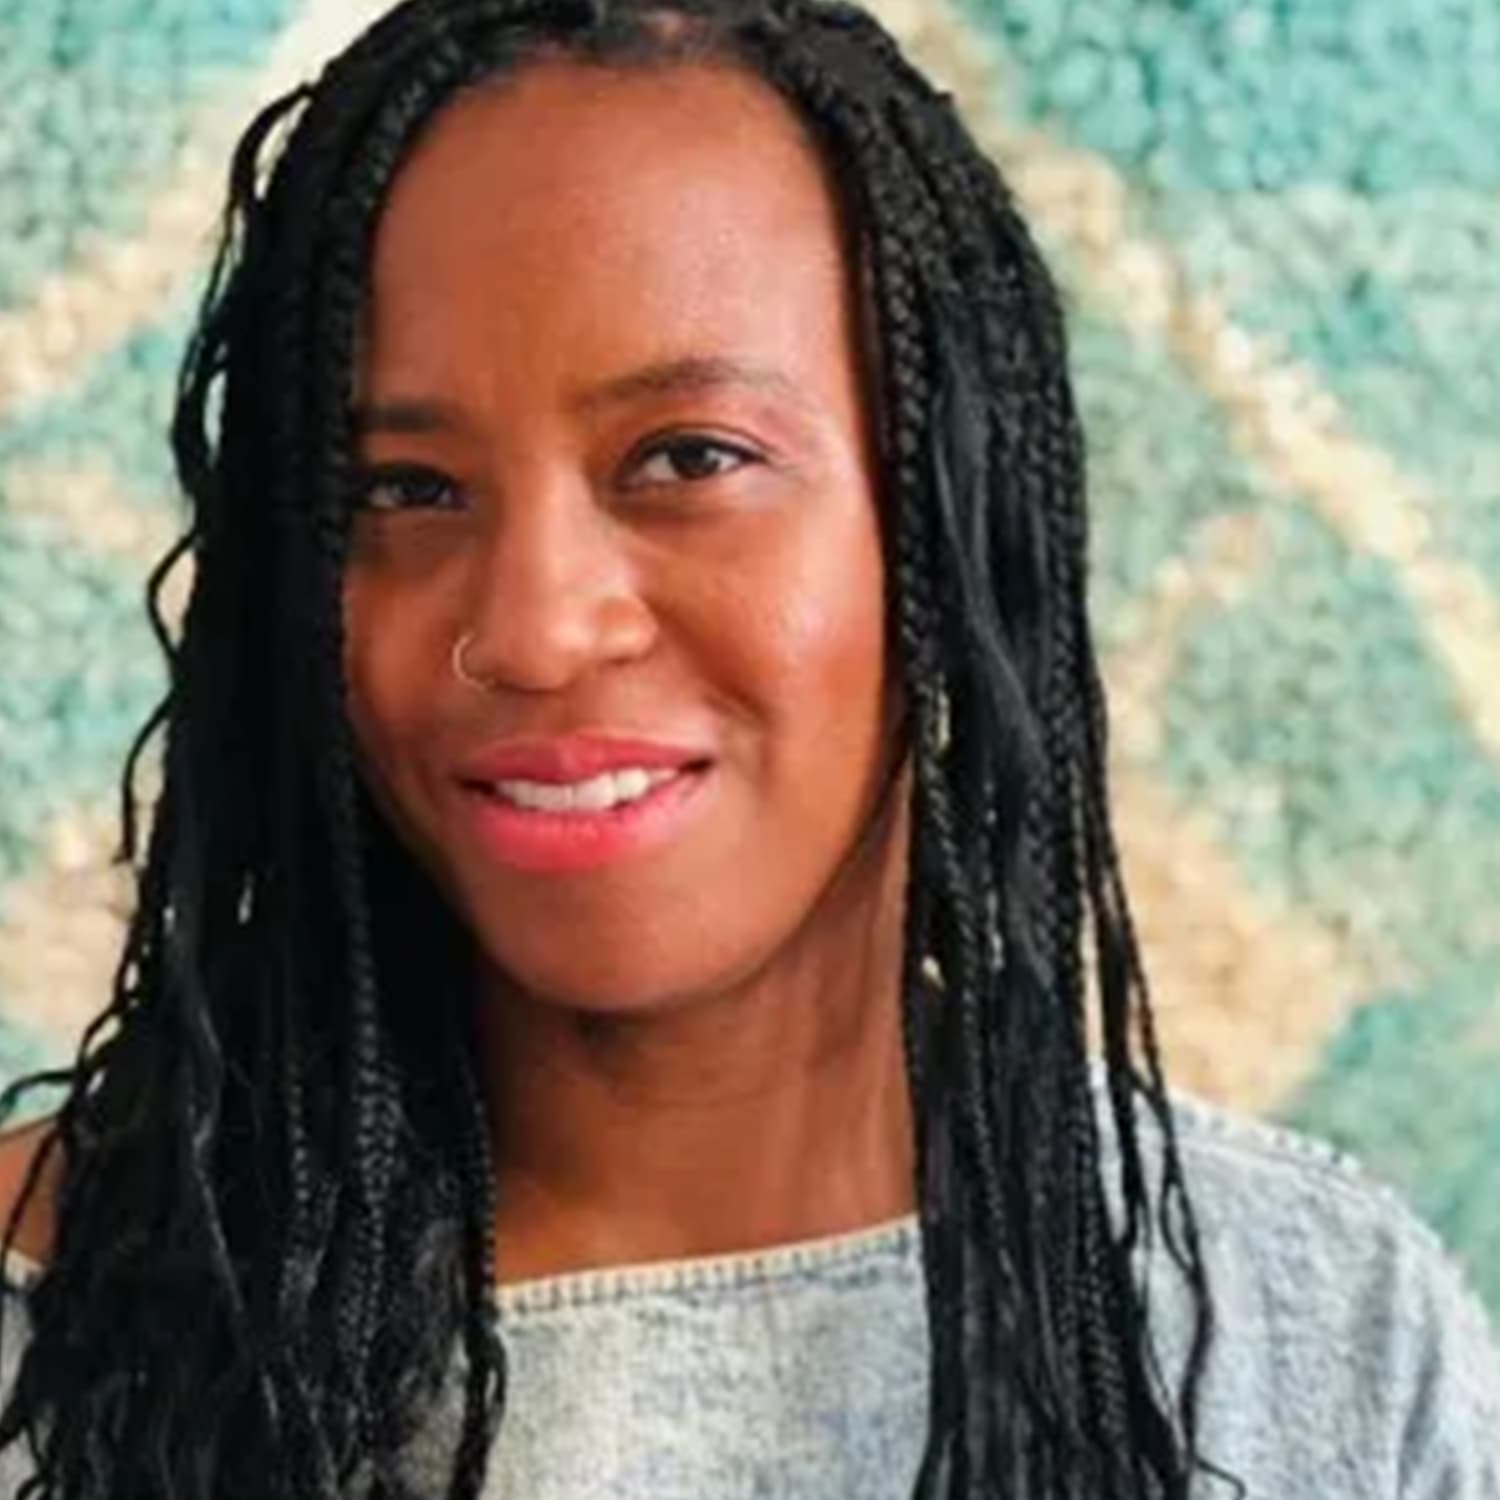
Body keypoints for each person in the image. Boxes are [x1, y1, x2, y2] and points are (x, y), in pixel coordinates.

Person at [0, 0, 1496, 1495]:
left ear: (947, 521)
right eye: (404, 489)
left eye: (689, 457)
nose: (534, 628)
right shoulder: (52, 1327)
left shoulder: (1311, 1330)